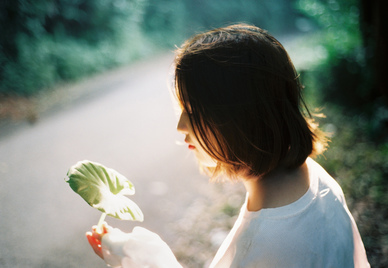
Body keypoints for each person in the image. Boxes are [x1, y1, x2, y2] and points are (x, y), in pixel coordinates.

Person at [86, 23, 370, 267]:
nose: (181, 126)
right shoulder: (313, 180)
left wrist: (148, 260)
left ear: (241, 118)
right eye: (182, 110)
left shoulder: (272, 242)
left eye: (195, 113)